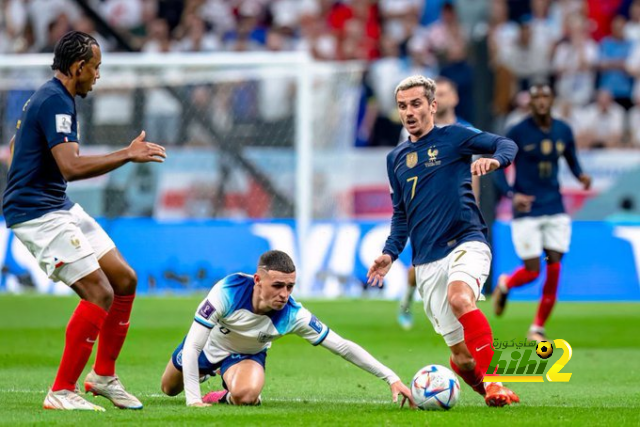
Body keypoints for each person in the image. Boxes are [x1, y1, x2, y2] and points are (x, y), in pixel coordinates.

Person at [2, 31, 167, 411]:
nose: (98, 76)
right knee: (100, 292)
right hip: (38, 214)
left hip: (57, 204)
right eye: (96, 68)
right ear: (78, 68)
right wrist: (127, 154)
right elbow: (71, 167)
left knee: (124, 279)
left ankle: (103, 376)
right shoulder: (56, 101)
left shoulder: (51, 96)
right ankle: (60, 391)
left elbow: (18, 147)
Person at [368, 75, 520, 407]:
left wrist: (495, 161)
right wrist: (389, 253)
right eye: (402, 106)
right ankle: (491, 392)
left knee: (460, 298)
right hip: (426, 261)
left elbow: (507, 145)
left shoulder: (454, 137)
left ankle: (495, 381)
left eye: (416, 104)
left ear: (433, 106)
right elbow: (401, 214)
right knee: (463, 357)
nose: (409, 112)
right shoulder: (395, 160)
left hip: (467, 240)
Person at [160, 250, 416, 408]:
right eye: (278, 286)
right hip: (207, 346)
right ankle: (209, 372)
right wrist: (193, 399)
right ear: (258, 280)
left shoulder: (293, 314)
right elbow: (194, 345)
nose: (284, 294)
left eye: (290, 286)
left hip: (246, 356)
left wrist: (391, 377)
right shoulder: (227, 290)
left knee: (247, 396)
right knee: (169, 389)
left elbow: (342, 347)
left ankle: (222, 394)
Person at [492, 84, 591, 342]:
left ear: (552, 100)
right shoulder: (517, 131)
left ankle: (537, 327)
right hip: (527, 210)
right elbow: (498, 168)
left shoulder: (563, 129)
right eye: (536, 97)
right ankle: (506, 284)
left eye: (545, 96)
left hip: (555, 207)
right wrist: (513, 195)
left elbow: (570, 156)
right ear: (530, 102)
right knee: (534, 270)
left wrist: (580, 175)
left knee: (555, 263)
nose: (541, 102)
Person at [398, 76, 472, 331]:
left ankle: (461, 314)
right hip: (423, 208)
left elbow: (474, 175)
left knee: (461, 264)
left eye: (445, 92)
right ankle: (408, 298)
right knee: (418, 266)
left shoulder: (466, 132)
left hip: (458, 210)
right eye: (436, 93)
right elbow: (402, 169)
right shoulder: (414, 128)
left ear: (454, 98)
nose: (440, 98)